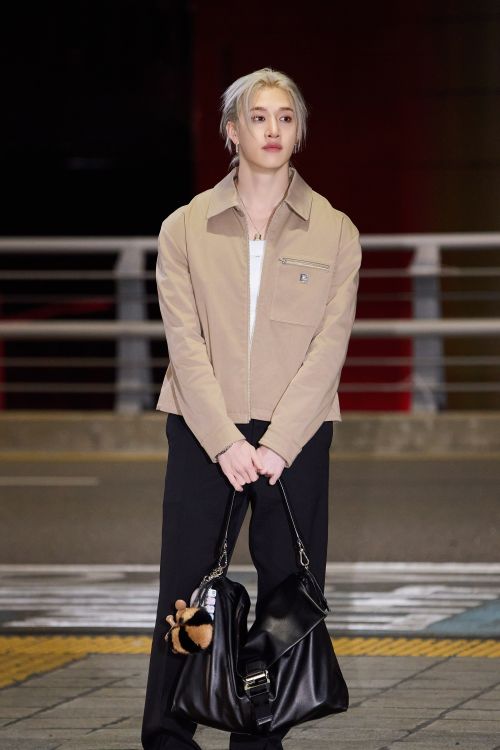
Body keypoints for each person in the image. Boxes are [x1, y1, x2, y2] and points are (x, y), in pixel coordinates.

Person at [141, 67, 362, 750]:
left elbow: (329, 349)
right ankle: (168, 736)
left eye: (285, 117)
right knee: (186, 591)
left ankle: (261, 738)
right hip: (204, 429)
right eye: (258, 117)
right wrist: (224, 441)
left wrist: (279, 444)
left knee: (287, 592)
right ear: (231, 132)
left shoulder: (335, 232)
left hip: (296, 436)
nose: (272, 129)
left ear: (299, 132)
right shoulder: (184, 228)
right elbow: (184, 342)